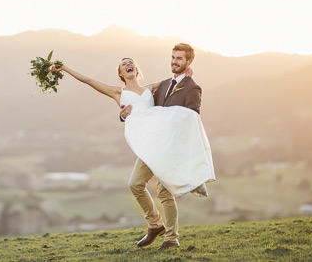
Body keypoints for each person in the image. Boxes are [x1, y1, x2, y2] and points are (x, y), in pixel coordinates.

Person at [51, 43, 214, 251]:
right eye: (123, 64)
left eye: (131, 63)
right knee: (135, 184)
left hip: (165, 146)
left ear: (137, 69)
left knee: (164, 192)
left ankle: (171, 238)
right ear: (120, 73)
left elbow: (182, 99)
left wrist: (189, 74)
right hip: (147, 148)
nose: (128, 65)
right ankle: (155, 224)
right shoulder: (121, 92)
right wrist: (64, 68)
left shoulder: (152, 88)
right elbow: (88, 80)